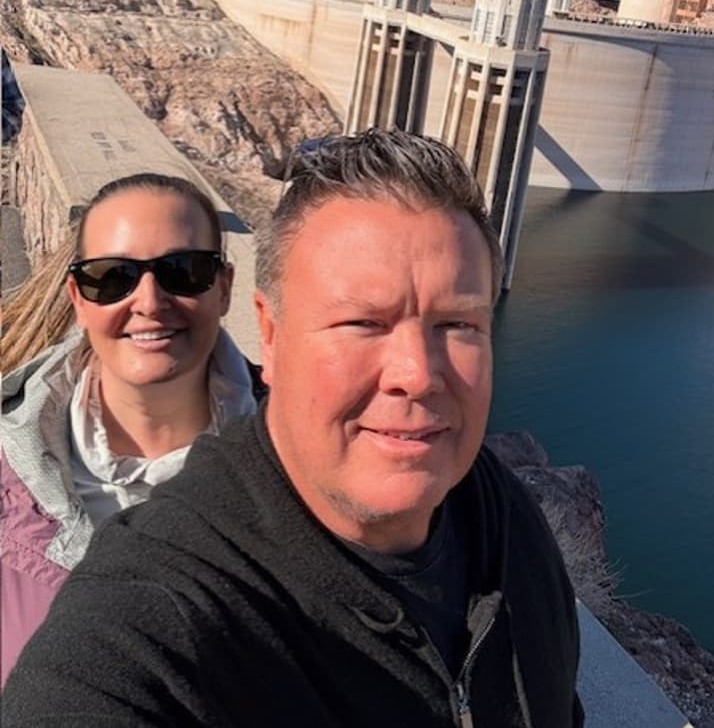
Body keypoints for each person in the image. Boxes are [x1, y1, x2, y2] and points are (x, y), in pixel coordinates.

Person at [3, 131, 583, 727]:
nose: (418, 374)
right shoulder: (155, 608)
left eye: (457, 324)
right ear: (271, 336)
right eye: (362, 322)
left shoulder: (503, 518)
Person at [1, 172, 260, 684]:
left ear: (225, 287)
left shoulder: (306, 467)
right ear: (77, 296)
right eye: (113, 276)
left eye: (183, 271)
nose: (148, 301)